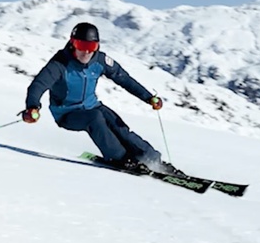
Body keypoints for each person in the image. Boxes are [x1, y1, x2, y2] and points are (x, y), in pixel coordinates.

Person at [21, 22, 184, 176]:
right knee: (95, 118)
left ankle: (152, 159)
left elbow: (124, 79)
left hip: (92, 106)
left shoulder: (100, 60)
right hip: (67, 114)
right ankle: (119, 157)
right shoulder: (59, 64)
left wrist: (148, 97)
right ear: (72, 44)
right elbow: (38, 85)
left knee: (117, 125)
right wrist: (32, 107)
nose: (86, 52)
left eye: (91, 47)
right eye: (82, 46)